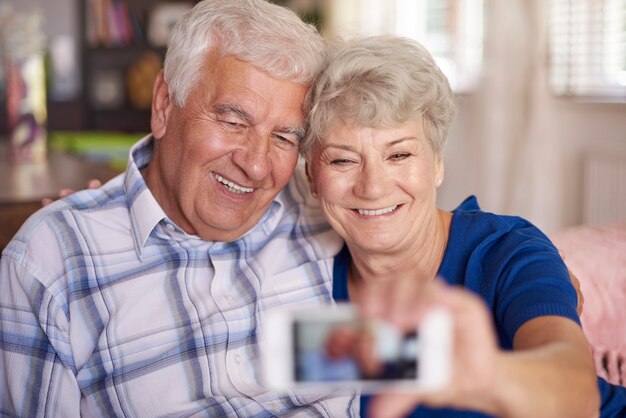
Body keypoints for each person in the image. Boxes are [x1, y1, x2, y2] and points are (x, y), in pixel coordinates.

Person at [0, 0, 359, 416]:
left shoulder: (327, 213)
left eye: (284, 137)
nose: (257, 164)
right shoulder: (50, 263)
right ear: (164, 106)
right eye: (233, 122)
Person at [300, 35, 626, 417]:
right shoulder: (301, 278)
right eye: (342, 161)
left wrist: (488, 377)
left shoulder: (509, 252)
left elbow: (575, 388)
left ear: (437, 164)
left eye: (400, 154)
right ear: (310, 175)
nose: (372, 187)